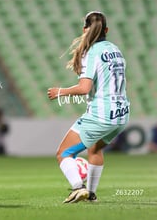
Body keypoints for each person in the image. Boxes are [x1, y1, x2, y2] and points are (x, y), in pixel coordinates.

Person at [47, 11, 130, 203]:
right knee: (94, 149)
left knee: (64, 153)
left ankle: (78, 188)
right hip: (121, 114)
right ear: (106, 30)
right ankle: (91, 194)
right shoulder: (115, 49)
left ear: (85, 30)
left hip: (102, 114)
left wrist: (61, 91)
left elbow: (85, 88)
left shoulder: (91, 52)